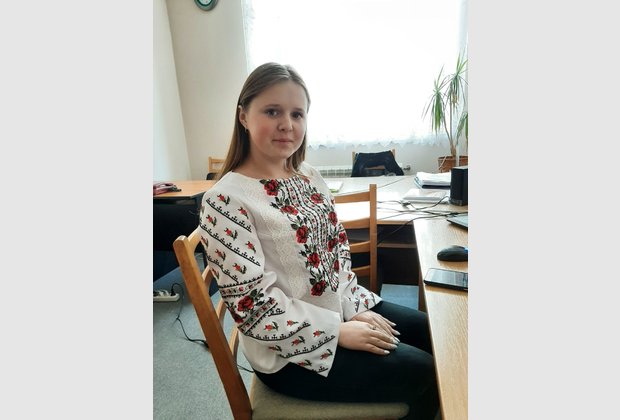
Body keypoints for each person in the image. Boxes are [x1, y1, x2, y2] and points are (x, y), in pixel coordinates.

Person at [198, 62, 439, 420]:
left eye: (297, 114)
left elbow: (336, 253)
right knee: (427, 374)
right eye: (272, 111)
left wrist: (355, 307)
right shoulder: (225, 201)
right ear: (243, 116)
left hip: (340, 309)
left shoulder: (308, 175)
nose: (287, 124)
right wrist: (337, 332)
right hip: (287, 353)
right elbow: (253, 309)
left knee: (438, 336)